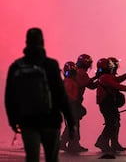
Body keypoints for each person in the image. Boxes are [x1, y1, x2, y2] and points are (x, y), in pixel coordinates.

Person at [5, 27, 75, 162]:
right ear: (42, 41)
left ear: (26, 42)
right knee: (52, 158)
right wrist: (71, 122)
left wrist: (13, 121)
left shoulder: (17, 66)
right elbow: (61, 95)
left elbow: (9, 97)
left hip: (28, 121)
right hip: (51, 120)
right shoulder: (51, 65)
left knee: (32, 158)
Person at [60, 54, 97, 152]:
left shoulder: (74, 74)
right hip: (73, 102)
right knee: (74, 124)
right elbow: (90, 85)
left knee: (73, 123)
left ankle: (72, 144)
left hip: (72, 102)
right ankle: (65, 143)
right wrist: (99, 79)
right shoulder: (81, 74)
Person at [94, 58, 126, 152]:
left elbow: (117, 80)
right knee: (111, 123)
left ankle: (113, 143)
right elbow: (117, 85)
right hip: (107, 104)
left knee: (114, 123)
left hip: (109, 103)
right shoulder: (105, 77)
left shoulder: (106, 76)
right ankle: (102, 142)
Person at [59, 61, 87, 153]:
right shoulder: (69, 81)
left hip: (71, 105)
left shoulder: (70, 81)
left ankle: (71, 144)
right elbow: (67, 95)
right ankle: (63, 143)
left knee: (73, 125)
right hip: (71, 105)